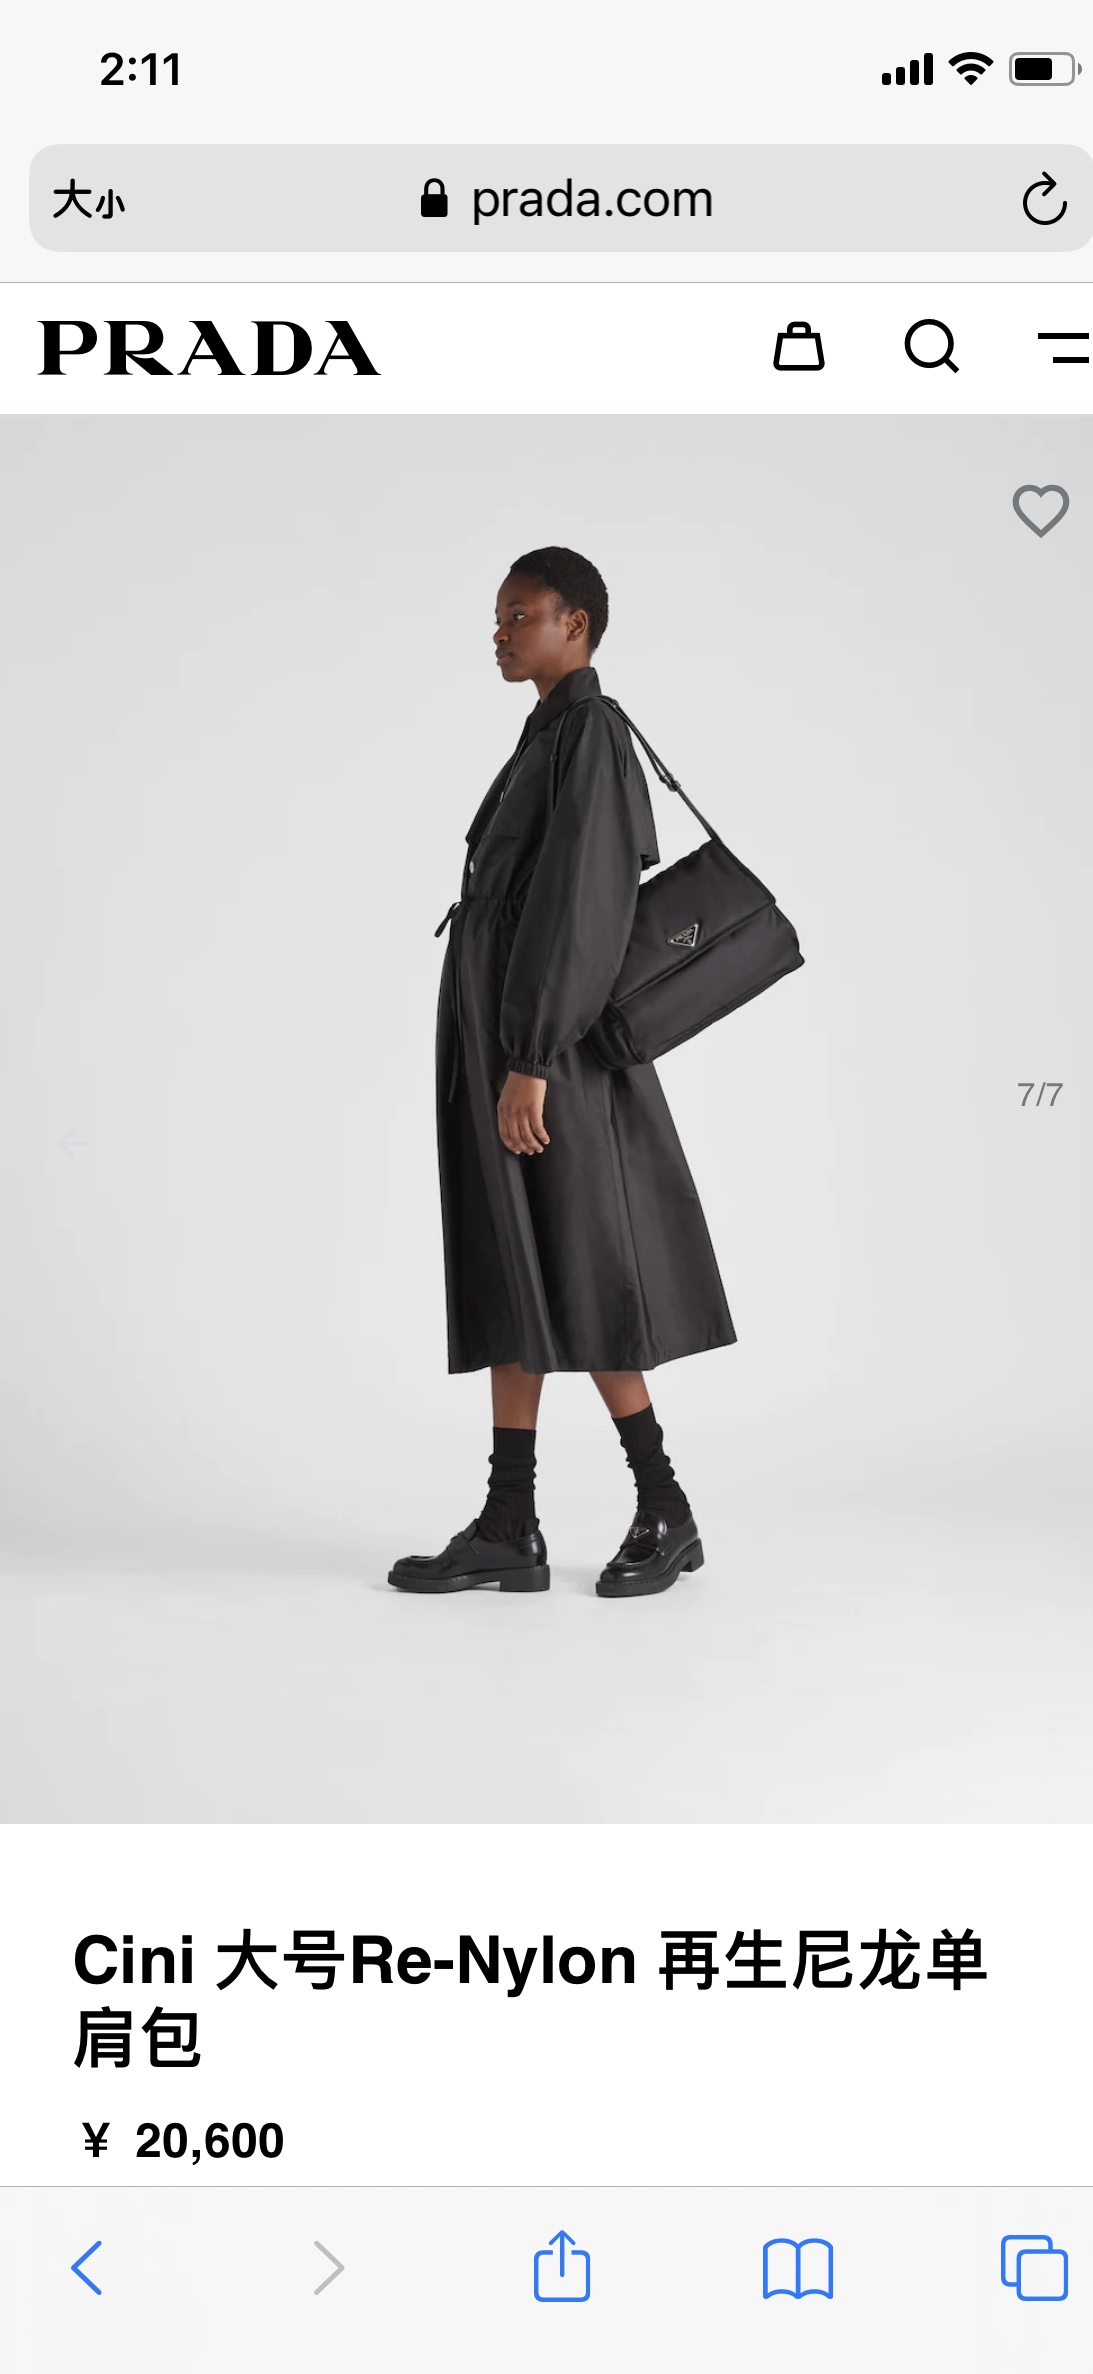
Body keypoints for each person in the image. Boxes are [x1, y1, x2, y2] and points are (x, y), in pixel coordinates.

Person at [389, 546, 735, 1601]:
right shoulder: (548, 732)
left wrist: (532, 1059)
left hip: (547, 1053)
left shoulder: (588, 733)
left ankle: (665, 1507)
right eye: (497, 617)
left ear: (574, 624)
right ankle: (509, 1523)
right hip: (510, 1040)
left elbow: (583, 904)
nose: (500, 633)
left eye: (520, 616)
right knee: (517, 1266)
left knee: (581, 1265)